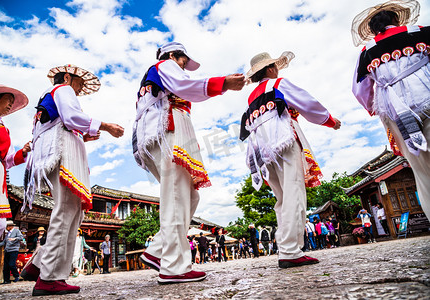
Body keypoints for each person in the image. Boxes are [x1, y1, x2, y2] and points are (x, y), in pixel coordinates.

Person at [134, 41, 244, 284]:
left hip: (155, 135)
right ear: (173, 55)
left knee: (189, 196)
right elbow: (185, 85)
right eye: (184, 60)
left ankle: (158, 250)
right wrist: (223, 83)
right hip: (168, 131)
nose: (184, 65)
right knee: (176, 195)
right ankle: (173, 267)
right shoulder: (165, 65)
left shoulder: (153, 76)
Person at [22, 64, 124, 296]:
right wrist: (105, 125)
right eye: (79, 84)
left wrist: (83, 136)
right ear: (67, 77)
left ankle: (42, 265)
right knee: (67, 210)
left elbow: (61, 123)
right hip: (61, 152)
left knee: (71, 211)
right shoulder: (62, 89)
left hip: (51, 151)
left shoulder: (48, 97)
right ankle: (49, 276)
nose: (79, 90)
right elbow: (71, 117)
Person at [240, 51, 341, 268]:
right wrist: (329, 120)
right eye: (274, 66)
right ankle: (290, 250)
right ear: (269, 69)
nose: (277, 69)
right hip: (283, 139)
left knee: (282, 198)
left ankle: (286, 247)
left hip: (262, 149)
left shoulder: (251, 97)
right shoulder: (278, 84)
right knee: (294, 191)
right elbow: (307, 102)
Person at [352, 0, 430, 219]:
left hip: (396, 110)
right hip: (427, 94)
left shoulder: (367, 52)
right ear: (396, 19)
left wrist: (373, 108)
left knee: (421, 170)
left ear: (372, 30)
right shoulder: (421, 32)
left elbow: (360, 91)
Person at [0, 84, 30, 281]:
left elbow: (8, 160)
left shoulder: (4, 128)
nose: (11, 104)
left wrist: (23, 152)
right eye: (8, 99)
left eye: (12, 101)